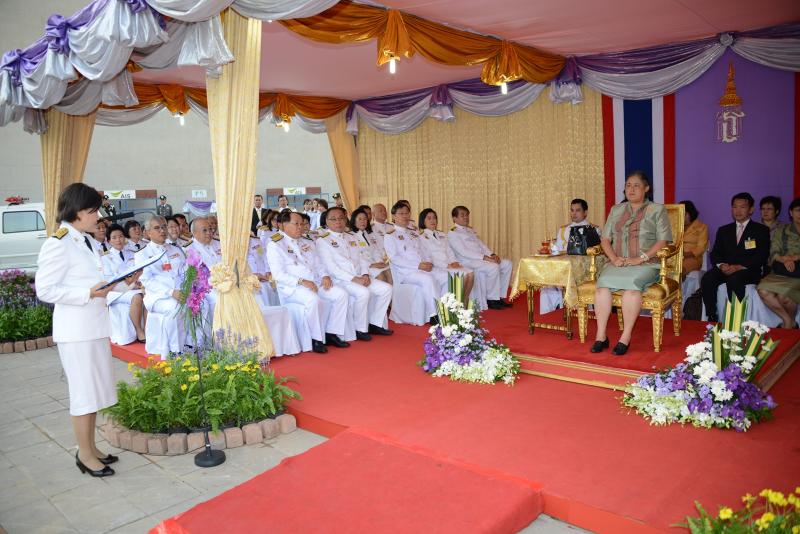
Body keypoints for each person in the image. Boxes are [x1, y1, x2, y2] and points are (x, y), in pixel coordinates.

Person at [35, 183, 131, 477]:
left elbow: (98, 280)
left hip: (94, 327)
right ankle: (85, 455)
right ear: (77, 211)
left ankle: (91, 447)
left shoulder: (87, 241)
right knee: (83, 394)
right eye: (93, 211)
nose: (97, 216)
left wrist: (124, 282)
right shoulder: (58, 243)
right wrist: (87, 294)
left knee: (96, 391)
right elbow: (45, 289)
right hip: (76, 332)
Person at [590, 171, 672, 355]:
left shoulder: (657, 210)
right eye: (628, 185)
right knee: (602, 288)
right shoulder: (616, 210)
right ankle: (601, 336)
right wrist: (613, 258)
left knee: (632, 290)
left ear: (646, 188)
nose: (631, 189)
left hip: (646, 264)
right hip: (618, 262)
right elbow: (605, 239)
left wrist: (640, 258)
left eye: (636, 186)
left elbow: (663, 241)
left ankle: (625, 337)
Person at [266, 211, 350, 353]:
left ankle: (331, 333)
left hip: (315, 282)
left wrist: (325, 276)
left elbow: (319, 264)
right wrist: (301, 281)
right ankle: (316, 339)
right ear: (283, 225)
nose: (300, 227)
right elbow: (278, 274)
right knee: (313, 300)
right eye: (296, 224)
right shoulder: (275, 244)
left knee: (341, 294)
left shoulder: (307, 241)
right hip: (293, 288)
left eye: (302, 224)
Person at [316, 207, 394, 340]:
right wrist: (354, 279)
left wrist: (365, 274)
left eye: (341, 218)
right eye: (333, 219)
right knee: (363, 292)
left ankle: (375, 323)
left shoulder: (351, 237)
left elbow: (362, 258)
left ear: (345, 220)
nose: (338, 222)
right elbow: (332, 268)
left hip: (360, 276)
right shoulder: (323, 240)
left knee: (386, 289)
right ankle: (360, 329)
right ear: (327, 222)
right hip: (341, 280)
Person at [701, 192, 771, 322]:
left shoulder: (761, 230)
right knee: (708, 278)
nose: (738, 211)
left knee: (734, 280)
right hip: (726, 269)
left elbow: (761, 256)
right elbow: (715, 253)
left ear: (751, 210)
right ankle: (712, 315)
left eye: (742, 207)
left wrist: (738, 267)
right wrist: (722, 265)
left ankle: (736, 318)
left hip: (748, 270)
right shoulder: (724, 230)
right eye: (735, 207)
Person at [135, 216, 188, 359]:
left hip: (180, 292)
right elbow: (147, 280)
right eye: (157, 228)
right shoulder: (142, 254)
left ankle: (192, 344)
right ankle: (175, 351)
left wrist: (186, 288)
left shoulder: (175, 249)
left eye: (164, 227)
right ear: (148, 232)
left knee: (201, 303)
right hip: (157, 297)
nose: (162, 231)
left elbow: (184, 271)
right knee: (175, 308)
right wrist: (171, 292)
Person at [383, 202, 445, 323]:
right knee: (428, 279)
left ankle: (447, 308)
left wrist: (429, 262)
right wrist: (418, 265)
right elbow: (394, 258)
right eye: (401, 213)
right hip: (406, 272)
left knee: (446, 277)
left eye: (407, 213)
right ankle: (435, 315)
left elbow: (424, 250)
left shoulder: (413, 232)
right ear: (394, 216)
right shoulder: (390, 236)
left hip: (423, 268)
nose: (405, 216)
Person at [447, 205, 513, 309]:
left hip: (480, 259)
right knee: (493, 267)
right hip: (468, 261)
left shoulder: (470, 230)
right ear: (454, 218)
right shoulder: (452, 233)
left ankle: (499, 297)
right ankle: (492, 300)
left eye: (467, 215)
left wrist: (492, 254)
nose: (466, 217)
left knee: (507, 264)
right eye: (462, 215)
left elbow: (481, 245)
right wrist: (485, 258)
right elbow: (464, 252)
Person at [418, 208, 481, 306]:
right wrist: (446, 265)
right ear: (423, 221)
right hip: (437, 267)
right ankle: (456, 305)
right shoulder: (421, 237)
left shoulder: (441, 234)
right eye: (429, 218)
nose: (433, 220)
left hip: (449, 264)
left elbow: (449, 251)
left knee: (471, 273)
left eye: (434, 218)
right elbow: (427, 256)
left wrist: (454, 261)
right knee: (463, 275)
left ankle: (464, 302)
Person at [757, 198, 800, 328]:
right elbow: (774, 250)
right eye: (798, 210)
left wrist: (794, 257)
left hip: (798, 273)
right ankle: (789, 321)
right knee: (763, 291)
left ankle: (788, 325)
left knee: (784, 297)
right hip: (781, 270)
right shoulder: (782, 229)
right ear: (791, 212)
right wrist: (784, 259)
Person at [102, 224, 146, 343]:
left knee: (148, 294)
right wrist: (131, 285)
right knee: (137, 297)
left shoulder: (132, 253)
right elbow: (109, 280)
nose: (118, 240)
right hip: (115, 291)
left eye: (121, 236)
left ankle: (148, 329)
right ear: (109, 241)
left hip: (135, 286)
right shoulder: (105, 258)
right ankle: (139, 331)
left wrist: (139, 282)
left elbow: (140, 271)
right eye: (114, 237)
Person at [350, 208, 392, 284]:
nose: (363, 221)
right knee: (381, 276)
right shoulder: (351, 236)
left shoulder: (367, 233)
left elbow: (375, 250)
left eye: (365, 219)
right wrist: (372, 264)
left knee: (390, 273)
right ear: (354, 221)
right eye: (360, 219)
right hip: (363, 267)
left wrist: (380, 262)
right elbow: (357, 256)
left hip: (373, 263)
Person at [679, 200, 708, 275]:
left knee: (679, 270)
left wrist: (684, 255)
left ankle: (679, 280)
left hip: (693, 259)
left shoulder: (702, 227)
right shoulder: (676, 226)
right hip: (676, 258)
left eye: (684, 214)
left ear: (691, 213)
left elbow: (700, 248)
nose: (682, 217)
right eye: (680, 214)